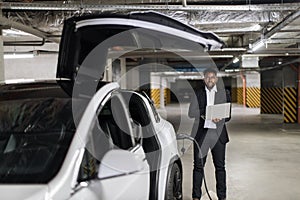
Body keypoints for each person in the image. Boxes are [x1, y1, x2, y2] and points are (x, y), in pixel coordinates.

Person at [188, 68, 231, 200]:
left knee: (220, 167)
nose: (210, 80)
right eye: (207, 77)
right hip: (202, 135)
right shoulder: (198, 93)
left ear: (216, 79)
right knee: (198, 167)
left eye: (212, 77)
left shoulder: (224, 93)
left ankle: (222, 197)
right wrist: (205, 114)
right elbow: (191, 113)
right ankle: (196, 196)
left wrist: (220, 118)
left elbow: (228, 116)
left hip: (218, 135)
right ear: (204, 79)